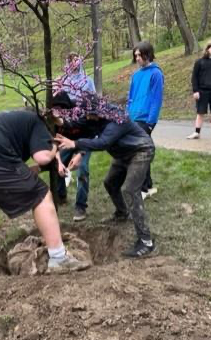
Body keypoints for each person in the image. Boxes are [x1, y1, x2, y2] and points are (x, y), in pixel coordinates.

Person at [0, 109, 91, 274]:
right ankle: (59, 258)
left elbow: (20, 166)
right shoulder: (38, 122)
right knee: (41, 194)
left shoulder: (15, 119)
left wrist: (37, 169)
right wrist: (54, 146)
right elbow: (43, 157)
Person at [53, 94, 157, 258]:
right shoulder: (93, 116)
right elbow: (78, 125)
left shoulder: (117, 118)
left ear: (98, 110)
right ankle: (122, 213)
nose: (86, 117)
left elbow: (103, 142)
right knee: (110, 183)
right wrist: (58, 121)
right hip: (122, 153)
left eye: (89, 114)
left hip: (140, 151)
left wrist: (76, 144)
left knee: (129, 190)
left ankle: (146, 242)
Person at [56, 53, 96, 221]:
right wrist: (58, 161)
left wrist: (80, 153)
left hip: (84, 135)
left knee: (83, 169)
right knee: (56, 166)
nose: (73, 62)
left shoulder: (88, 82)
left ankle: (81, 206)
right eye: (70, 59)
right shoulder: (62, 82)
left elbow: (92, 133)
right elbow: (54, 141)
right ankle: (60, 195)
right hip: (67, 136)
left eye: (76, 59)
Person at [127, 41, 164, 199]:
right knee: (142, 152)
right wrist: (126, 115)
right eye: (135, 55)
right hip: (133, 118)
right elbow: (130, 97)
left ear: (147, 54)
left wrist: (150, 123)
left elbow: (156, 100)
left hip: (146, 120)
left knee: (140, 153)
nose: (137, 58)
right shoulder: (136, 75)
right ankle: (147, 186)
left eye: (139, 55)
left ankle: (142, 189)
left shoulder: (156, 74)